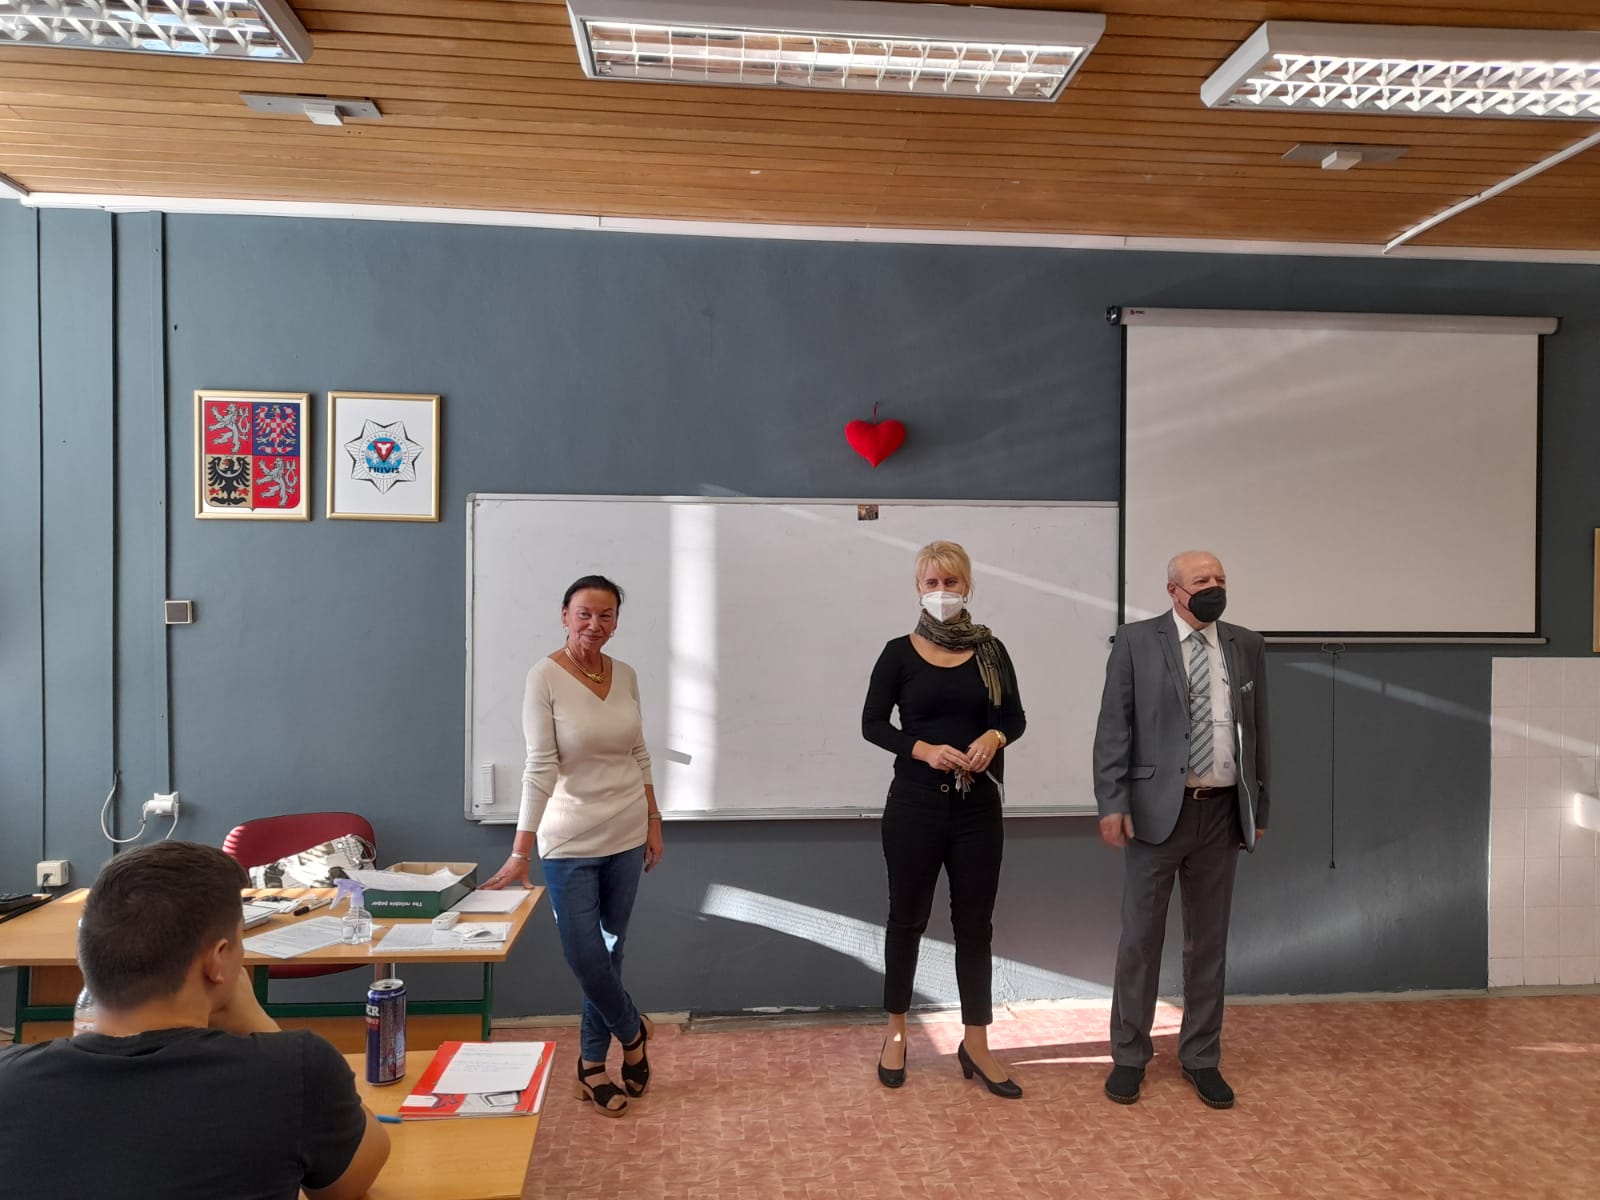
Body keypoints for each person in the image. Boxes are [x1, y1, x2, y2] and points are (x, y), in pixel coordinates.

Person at [0, 841, 390, 1200]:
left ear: (88, 954)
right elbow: (349, 1183)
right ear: (217, 961)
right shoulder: (294, 1070)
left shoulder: (9, 1081)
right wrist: (256, 1021)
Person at [1093, 550, 1271, 1110]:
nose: (1214, 586)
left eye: (1221, 578)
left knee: (1208, 943)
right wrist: (1112, 801)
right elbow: (1114, 727)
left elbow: (1259, 730)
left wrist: (1260, 808)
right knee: (1140, 941)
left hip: (1221, 814)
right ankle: (1129, 1056)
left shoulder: (1246, 644)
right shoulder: (1136, 642)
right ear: (1174, 590)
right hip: (1155, 815)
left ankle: (1201, 1057)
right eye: (1202, 580)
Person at [483, 574, 664, 1118]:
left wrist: (654, 819)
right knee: (585, 955)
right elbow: (539, 766)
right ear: (564, 615)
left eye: (606, 615)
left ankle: (590, 1067)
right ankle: (632, 1032)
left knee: (611, 954)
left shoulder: (626, 674)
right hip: (567, 839)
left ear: (616, 622)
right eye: (584, 613)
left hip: (628, 832)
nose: (594, 624)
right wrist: (520, 851)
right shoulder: (543, 677)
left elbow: (638, 752)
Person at [862, 539, 1027, 1099]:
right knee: (906, 919)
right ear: (918, 589)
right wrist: (924, 749)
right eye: (931, 583)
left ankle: (976, 1041)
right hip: (914, 806)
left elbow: (1015, 718)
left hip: (978, 808)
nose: (941, 591)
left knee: (975, 926)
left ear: (967, 586)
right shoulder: (898, 653)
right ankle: (896, 1031)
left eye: (950, 582)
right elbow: (872, 724)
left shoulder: (992, 652)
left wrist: (994, 736)